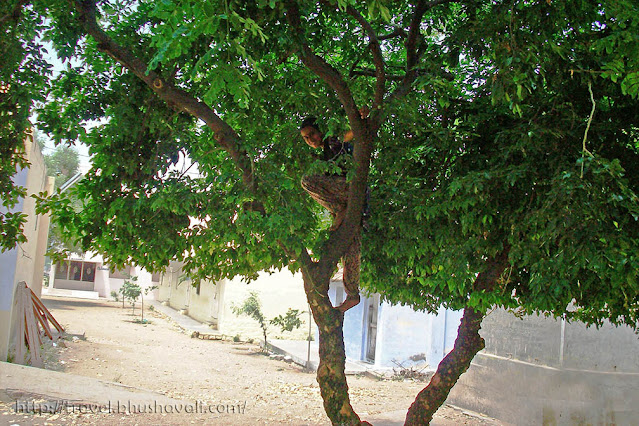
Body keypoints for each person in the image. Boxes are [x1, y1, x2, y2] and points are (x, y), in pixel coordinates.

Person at [299, 116, 361, 312]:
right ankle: (352, 295)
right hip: (350, 200)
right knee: (350, 245)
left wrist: (361, 117)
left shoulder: (331, 141)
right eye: (306, 138)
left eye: (312, 134)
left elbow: (347, 135)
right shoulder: (324, 155)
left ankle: (338, 210)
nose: (311, 139)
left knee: (308, 180)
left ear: (321, 130)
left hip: (349, 189)